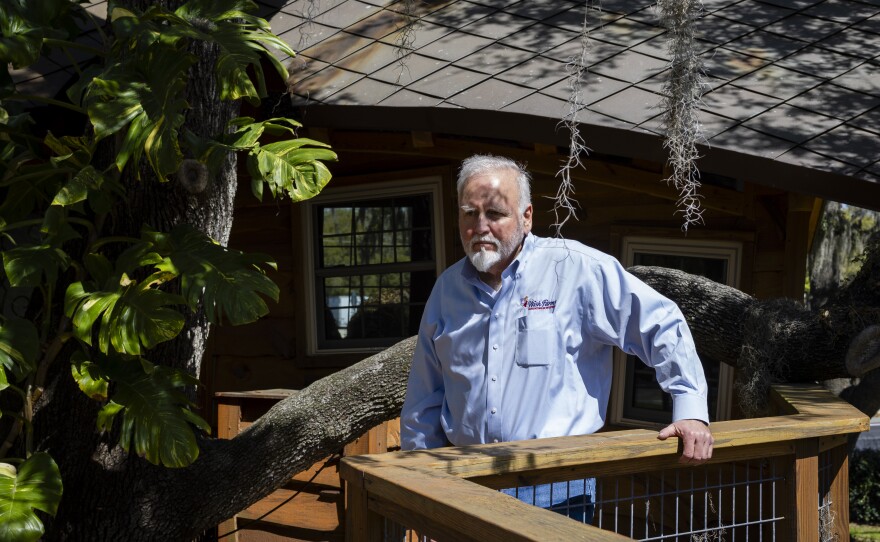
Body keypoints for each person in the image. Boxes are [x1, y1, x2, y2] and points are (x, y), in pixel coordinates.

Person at [400, 154, 714, 523]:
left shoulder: (576, 269)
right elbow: (425, 396)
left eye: (495, 213)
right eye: (469, 213)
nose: (480, 226)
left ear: (527, 216)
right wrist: (422, 488)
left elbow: (660, 323)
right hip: (467, 482)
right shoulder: (446, 290)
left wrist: (691, 410)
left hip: (559, 485)